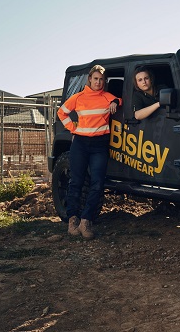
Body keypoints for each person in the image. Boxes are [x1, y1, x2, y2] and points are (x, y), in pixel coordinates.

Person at [57, 65, 121, 239]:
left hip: (99, 145)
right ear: (89, 79)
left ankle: (86, 221)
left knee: (97, 183)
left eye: (101, 79)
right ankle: (72, 220)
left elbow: (118, 100)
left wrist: (116, 102)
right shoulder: (78, 98)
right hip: (80, 144)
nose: (98, 82)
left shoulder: (108, 97)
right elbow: (62, 113)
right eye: (95, 79)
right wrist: (73, 128)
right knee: (76, 182)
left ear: (104, 81)